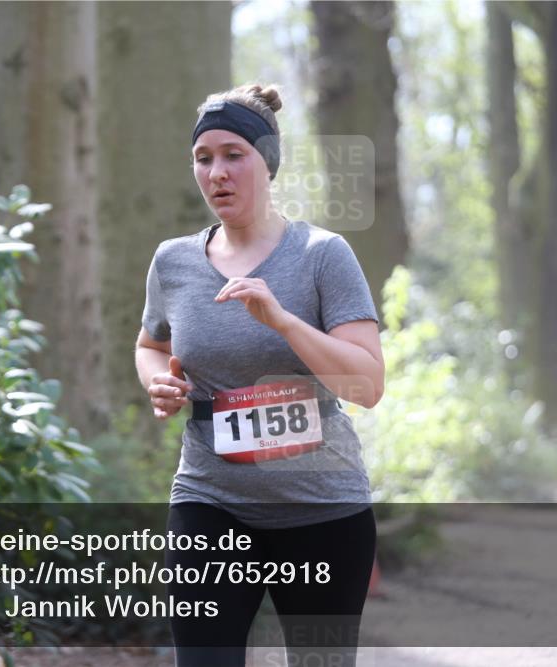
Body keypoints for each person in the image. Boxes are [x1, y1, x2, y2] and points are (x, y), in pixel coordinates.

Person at [134, 83, 384, 667]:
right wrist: (156, 381)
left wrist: (284, 321)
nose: (217, 172)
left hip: (323, 508)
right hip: (210, 500)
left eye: (233, 155)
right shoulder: (173, 262)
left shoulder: (323, 254)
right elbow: (149, 344)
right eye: (203, 158)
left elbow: (366, 387)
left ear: (267, 161)